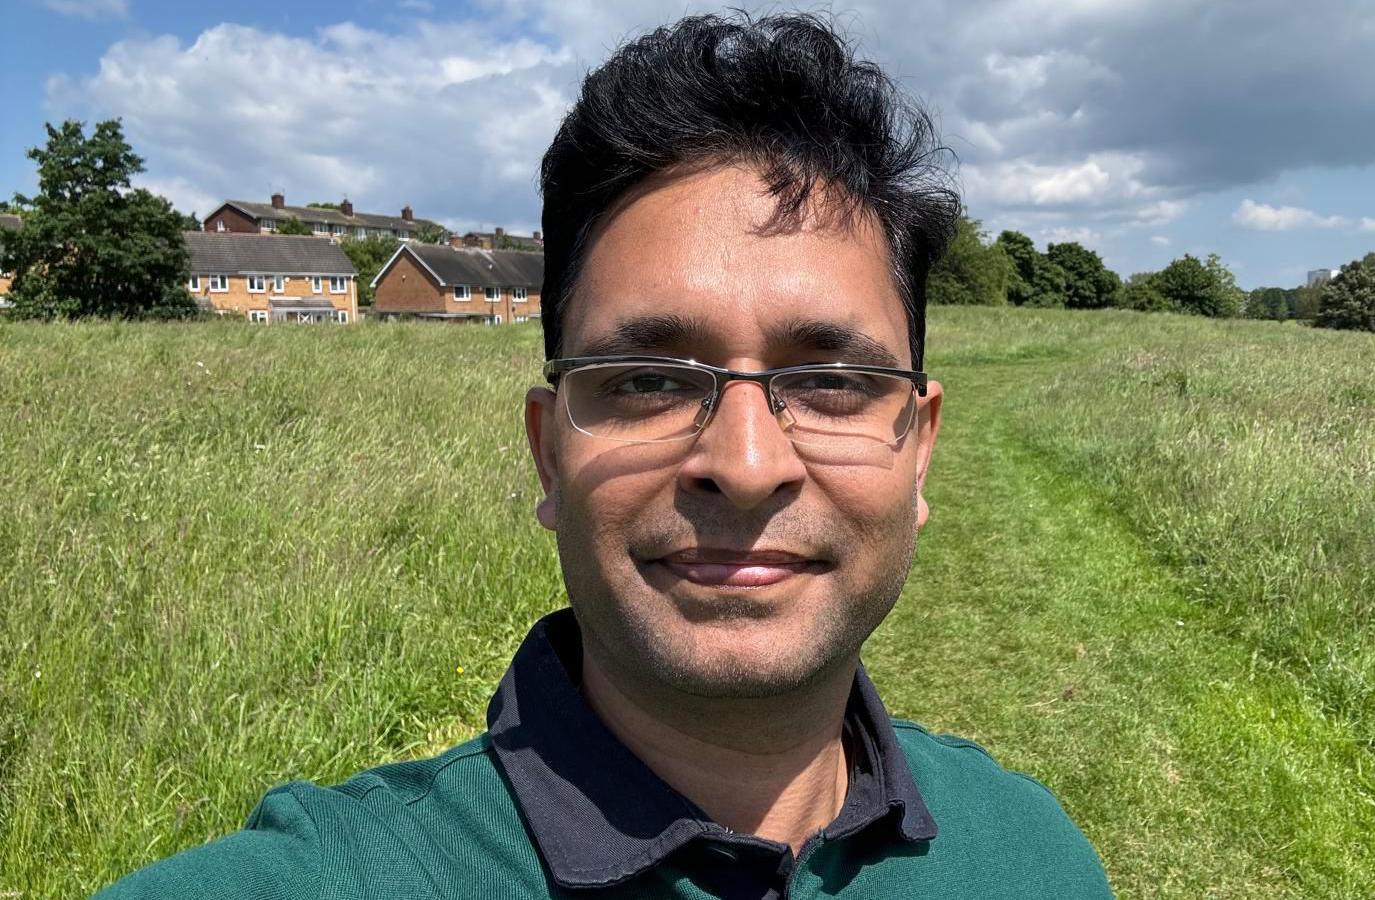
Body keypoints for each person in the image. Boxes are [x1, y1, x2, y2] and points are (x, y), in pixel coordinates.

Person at [97, 12, 1111, 899]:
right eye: (649, 380)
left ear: (919, 450)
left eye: (830, 381)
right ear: (548, 458)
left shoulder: (1035, 857)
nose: (746, 462)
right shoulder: (341, 877)